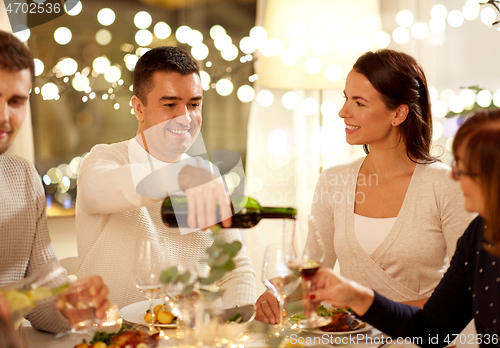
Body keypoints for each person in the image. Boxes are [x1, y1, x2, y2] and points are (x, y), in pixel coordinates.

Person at [256, 49, 474, 324]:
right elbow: (313, 274)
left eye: (359, 103)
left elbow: (466, 292)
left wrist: (370, 313)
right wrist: (278, 293)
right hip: (347, 340)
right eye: (346, 98)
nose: (342, 111)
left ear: (398, 114)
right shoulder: (333, 181)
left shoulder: (445, 185)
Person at [75, 46, 256, 309]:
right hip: (111, 336)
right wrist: (182, 178)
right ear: (138, 107)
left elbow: (237, 270)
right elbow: (96, 190)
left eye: (194, 104)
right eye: (170, 104)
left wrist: (231, 325)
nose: (186, 117)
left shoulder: (205, 175)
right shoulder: (104, 160)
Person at [304, 108, 500, 348]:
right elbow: (432, 328)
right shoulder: (479, 235)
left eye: (463, 168)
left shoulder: (439, 187)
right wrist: (357, 297)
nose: (454, 178)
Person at [0, 30, 109, 333]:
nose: (4, 116)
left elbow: (44, 297)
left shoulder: (23, 178)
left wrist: (71, 306)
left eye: (16, 101)